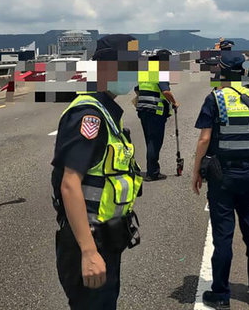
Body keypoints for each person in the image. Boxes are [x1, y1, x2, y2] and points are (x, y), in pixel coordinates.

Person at [51, 34, 144, 310]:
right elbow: (70, 184)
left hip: (108, 237)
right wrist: (89, 252)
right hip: (90, 241)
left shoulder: (108, 110)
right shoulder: (89, 116)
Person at [192, 51, 249, 310]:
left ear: (221, 72)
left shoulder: (215, 99)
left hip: (222, 177)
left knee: (223, 235)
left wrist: (196, 171)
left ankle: (220, 294)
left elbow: (204, 140)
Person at [135, 49, 179, 181]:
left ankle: (151, 169)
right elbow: (165, 91)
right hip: (156, 111)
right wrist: (174, 102)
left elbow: (137, 89)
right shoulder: (161, 72)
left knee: (149, 139)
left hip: (143, 109)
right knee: (155, 142)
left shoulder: (146, 71)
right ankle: (152, 172)